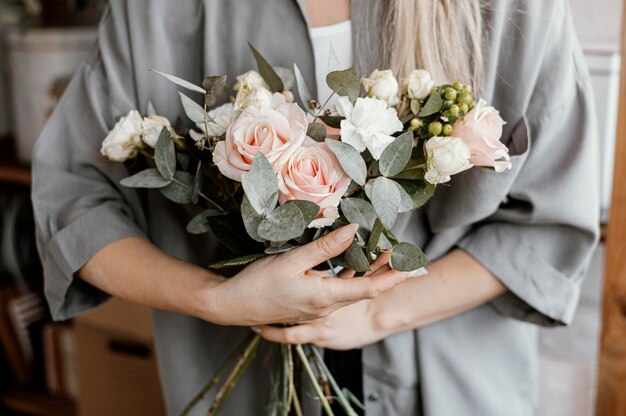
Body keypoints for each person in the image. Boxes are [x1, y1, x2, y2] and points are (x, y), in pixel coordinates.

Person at [31, 0, 599, 415]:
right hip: (237, 378)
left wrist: (374, 313)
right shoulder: (153, 11)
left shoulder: (512, 9)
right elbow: (74, 201)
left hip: (456, 386)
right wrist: (217, 299)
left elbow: (546, 226)